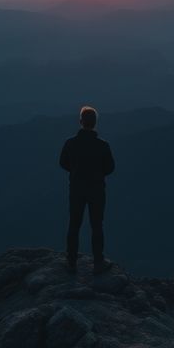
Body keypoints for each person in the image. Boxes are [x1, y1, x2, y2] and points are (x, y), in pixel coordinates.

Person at [59, 105, 116, 275]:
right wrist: (98, 174)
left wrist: (75, 170)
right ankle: (98, 263)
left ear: (80, 122)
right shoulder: (103, 145)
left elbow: (62, 163)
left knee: (74, 225)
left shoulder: (70, 143)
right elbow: (110, 167)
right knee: (97, 225)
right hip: (97, 190)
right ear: (95, 123)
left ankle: (71, 262)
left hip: (76, 189)